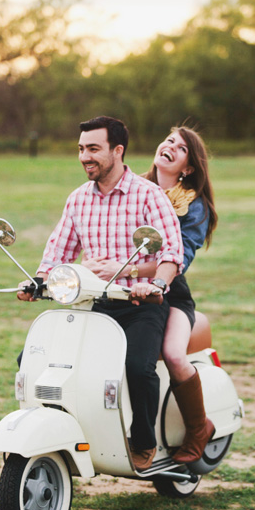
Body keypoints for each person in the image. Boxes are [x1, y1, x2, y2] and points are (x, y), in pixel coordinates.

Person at [17, 116, 184, 471]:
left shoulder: (148, 195)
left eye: (93, 149)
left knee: (138, 368)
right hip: (92, 306)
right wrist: (38, 282)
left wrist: (153, 284)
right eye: (81, 149)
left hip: (140, 305)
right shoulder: (78, 200)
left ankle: (142, 439)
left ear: (117, 151)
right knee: (32, 359)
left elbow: (171, 254)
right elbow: (57, 253)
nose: (84, 156)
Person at [82, 126, 217, 463]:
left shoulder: (193, 207)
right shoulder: (132, 189)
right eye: (169, 139)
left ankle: (199, 427)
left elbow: (177, 259)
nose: (171, 146)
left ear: (187, 167)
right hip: (123, 292)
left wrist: (123, 269)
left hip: (169, 294)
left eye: (182, 148)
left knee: (172, 354)